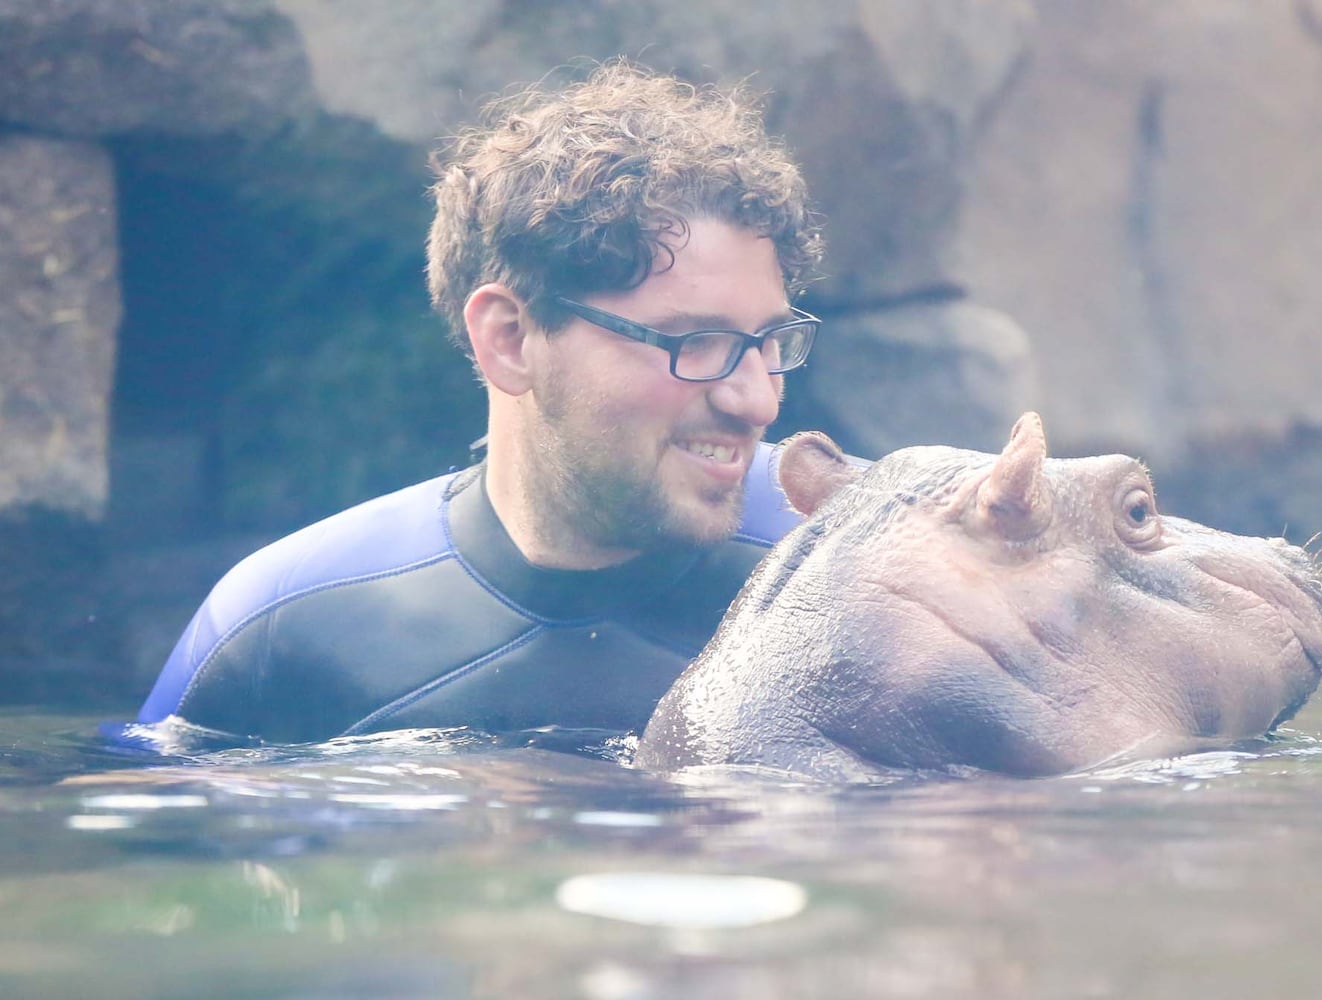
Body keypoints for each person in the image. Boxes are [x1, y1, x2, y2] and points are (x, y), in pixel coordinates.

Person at [134, 60, 829, 745]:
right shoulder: (280, 628)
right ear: (510, 339)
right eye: (698, 342)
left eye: (770, 341)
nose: (757, 400)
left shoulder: (869, 571)